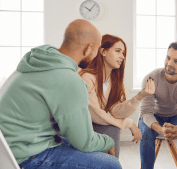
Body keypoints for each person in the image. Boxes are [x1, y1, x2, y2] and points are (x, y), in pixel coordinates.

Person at [0, 19, 122, 169]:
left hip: (9, 148)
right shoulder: (68, 79)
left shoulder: (37, 63)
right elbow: (84, 142)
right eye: (97, 50)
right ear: (88, 48)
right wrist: (109, 141)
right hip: (25, 157)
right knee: (111, 164)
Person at [78, 34, 155, 158]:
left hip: (92, 124)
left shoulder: (113, 81)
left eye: (123, 53)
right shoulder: (87, 77)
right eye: (118, 51)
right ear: (103, 51)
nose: (122, 56)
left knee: (113, 129)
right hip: (78, 127)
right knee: (112, 128)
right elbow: (95, 113)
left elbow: (116, 112)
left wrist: (140, 96)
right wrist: (128, 123)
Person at [139, 42, 177, 169]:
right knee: (146, 134)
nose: (170, 63)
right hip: (153, 115)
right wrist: (161, 130)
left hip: (176, 116)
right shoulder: (151, 78)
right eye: (168, 58)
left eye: (176, 61)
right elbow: (145, 112)